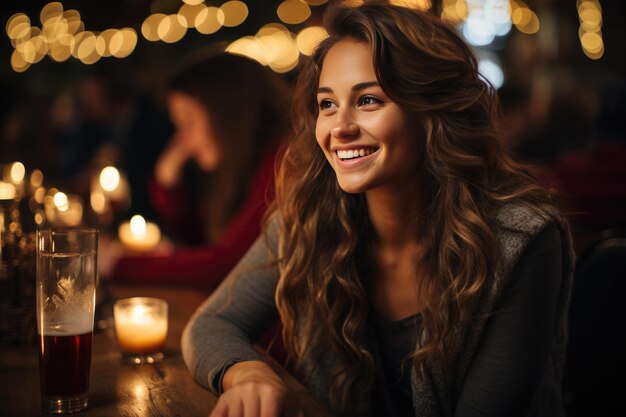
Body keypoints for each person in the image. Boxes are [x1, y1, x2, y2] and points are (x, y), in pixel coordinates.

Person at [182, 3, 575, 417]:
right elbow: (210, 325)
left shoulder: (522, 240)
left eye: (368, 100)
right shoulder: (311, 215)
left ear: (431, 113)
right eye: (327, 104)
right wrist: (249, 374)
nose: (339, 128)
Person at [104, 52, 291, 290]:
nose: (182, 139)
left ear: (228, 111)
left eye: (189, 121)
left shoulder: (282, 163)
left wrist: (118, 264)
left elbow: (225, 265)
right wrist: (168, 181)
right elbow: (202, 243)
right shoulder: (242, 166)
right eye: (178, 125)